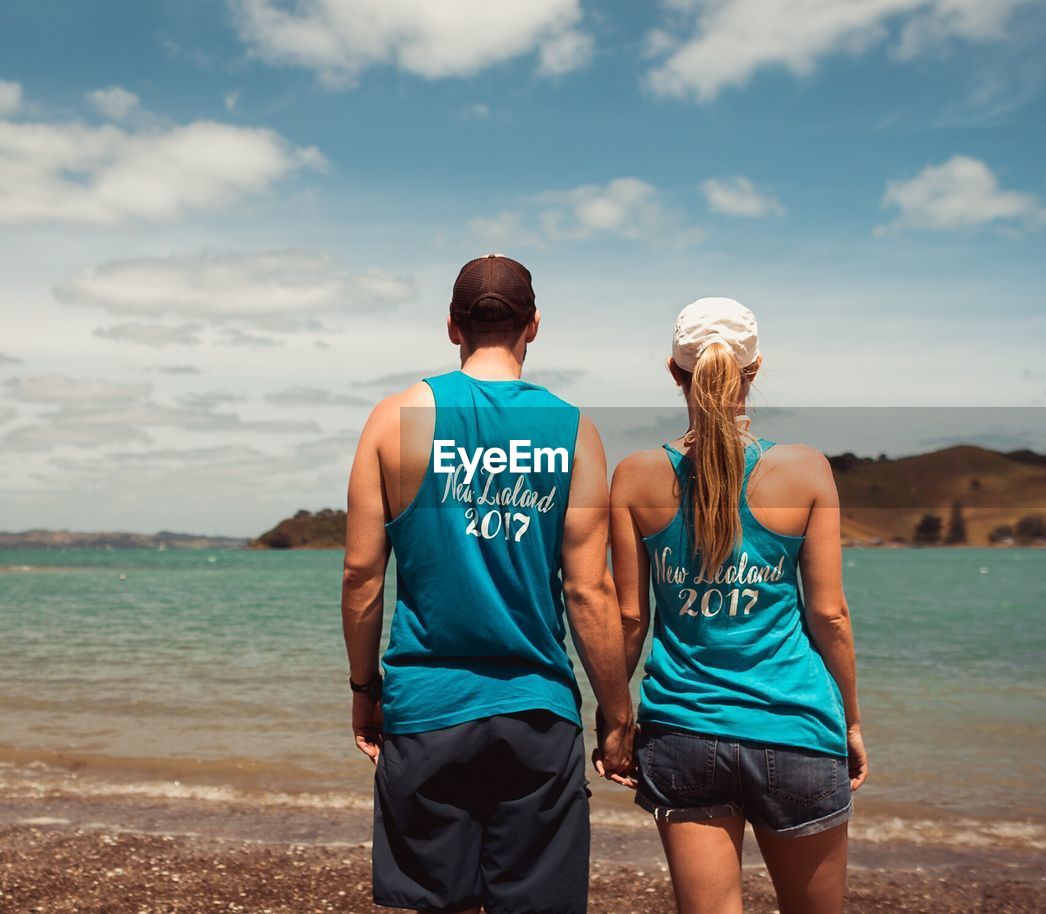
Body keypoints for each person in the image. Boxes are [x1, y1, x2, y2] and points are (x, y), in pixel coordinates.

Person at [341, 253, 635, 914]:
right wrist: (618, 717)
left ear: (453, 326)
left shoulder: (394, 419)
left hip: (427, 708)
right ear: (533, 326)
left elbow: (362, 575)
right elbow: (589, 593)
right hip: (536, 712)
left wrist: (366, 690)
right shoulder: (573, 430)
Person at [606, 297, 868, 914]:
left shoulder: (637, 476)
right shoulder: (805, 470)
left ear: (675, 373)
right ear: (754, 371)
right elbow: (828, 615)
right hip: (798, 729)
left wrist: (615, 720)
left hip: (683, 732)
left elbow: (630, 620)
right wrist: (851, 721)